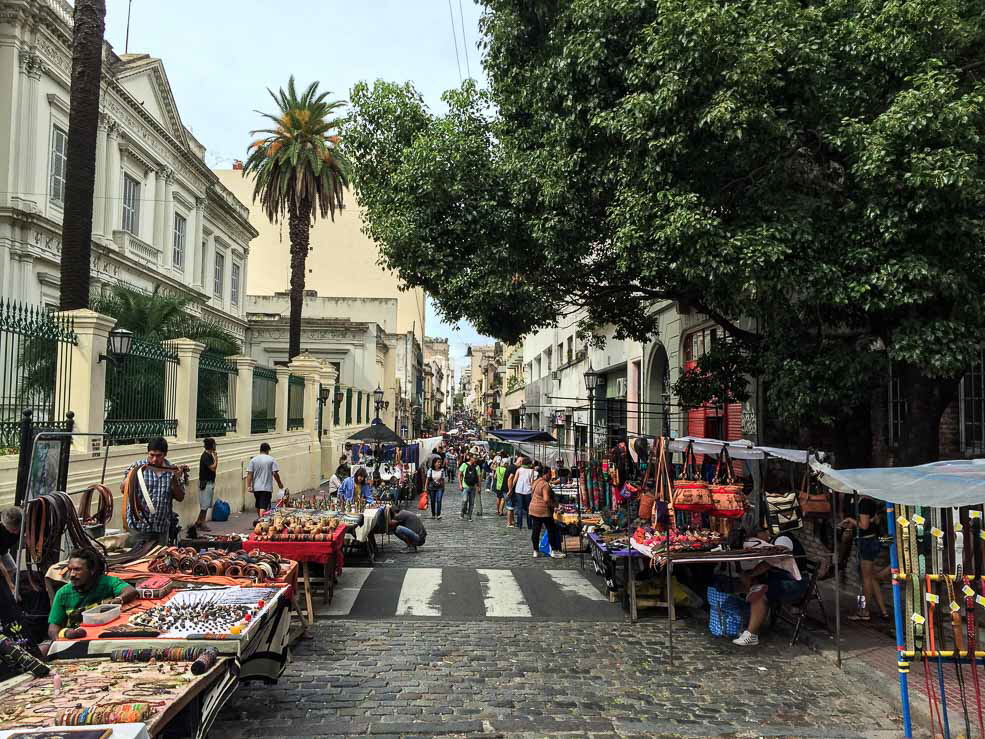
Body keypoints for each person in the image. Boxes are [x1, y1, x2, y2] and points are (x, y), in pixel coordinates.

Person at [732, 528, 809, 647]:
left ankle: (751, 635)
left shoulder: (783, 539)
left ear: (765, 532)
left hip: (794, 583)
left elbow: (772, 560)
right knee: (754, 584)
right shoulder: (775, 539)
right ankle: (749, 622)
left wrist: (751, 574)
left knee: (760, 593)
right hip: (781, 579)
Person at [47, 548, 137, 640]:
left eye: (77, 569)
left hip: (104, 636)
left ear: (92, 570)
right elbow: (53, 629)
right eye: (70, 569)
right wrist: (61, 640)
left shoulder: (107, 582)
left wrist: (118, 600)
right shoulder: (63, 594)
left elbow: (131, 591)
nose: (72, 574)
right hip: (75, 640)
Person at [122, 437, 187, 545]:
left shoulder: (171, 471)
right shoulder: (137, 467)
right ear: (148, 453)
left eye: (158, 456)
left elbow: (180, 497)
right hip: (138, 528)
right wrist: (130, 478)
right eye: (151, 455)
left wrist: (175, 479)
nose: (154, 460)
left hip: (161, 529)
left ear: (165, 454)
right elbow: (123, 489)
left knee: (158, 560)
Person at [843, 495, 891, 621]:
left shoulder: (864, 502)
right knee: (871, 578)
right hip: (869, 542)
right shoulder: (869, 501)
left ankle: (864, 610)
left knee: (866, 579)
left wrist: (850, 520)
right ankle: (883, 611)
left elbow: (864, 526)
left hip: (867, 542)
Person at [529, 470, 565, 558]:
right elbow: (546, 499)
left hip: (533, 508)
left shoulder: (536, 482)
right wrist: (554, 506)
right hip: (543, 511)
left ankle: (535, 551)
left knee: (536, 530)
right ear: (546, 474)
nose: (551, 477)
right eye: (550, 474)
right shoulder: (545, 485)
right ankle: (553, 550)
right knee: (551, 529)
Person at [246, 442, 285, 516]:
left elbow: (249, 474)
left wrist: (248, 486)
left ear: (260, 450)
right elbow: (275, 473)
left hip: (256, 488)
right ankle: (261, 521)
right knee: (263, 506)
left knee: (258, 505)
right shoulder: (271, 459)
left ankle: (260, 519)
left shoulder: (253, 460)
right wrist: (279, 483)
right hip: (266, 488)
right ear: (268, 450)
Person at [195, 437, 218, 531]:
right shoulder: (205, 456)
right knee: (205, 505)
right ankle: (203, 523)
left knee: (206, 504)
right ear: (211, 445)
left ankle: (198, 521)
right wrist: (216, 459)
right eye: (214, 444)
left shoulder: (209, 455)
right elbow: (213, 468)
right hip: (206, 483)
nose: (215, 446)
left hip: (209, 482)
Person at [511, 457, 536, 530]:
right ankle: (529, 525)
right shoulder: (531, 471)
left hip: (519, 490)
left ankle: (519, 524)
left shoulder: (519, 470)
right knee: (528, 508)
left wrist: (511, 489)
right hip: (528, 491)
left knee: (520, 508)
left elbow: (514, 480)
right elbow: (532, 482)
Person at [0, 507, 22, 591]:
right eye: (13, 530)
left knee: (13, 569)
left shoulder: (21, 523)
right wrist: (11, 585)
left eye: (18, 529)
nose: (16, 532)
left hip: (3, 550)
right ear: (4, 525)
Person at [460, 454, 481, 521]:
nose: (475, 459)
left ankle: (469, 516)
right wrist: (460, 484)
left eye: (476, 458)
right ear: (470, 458)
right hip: (465, 486)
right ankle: (462, 512)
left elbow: (478, 478)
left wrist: (479, 487)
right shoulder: (464, 465)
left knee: (471, 502)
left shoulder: (477, 467)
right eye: (474, 458)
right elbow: (459, 474)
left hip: (473, 487)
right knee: (465, 500)